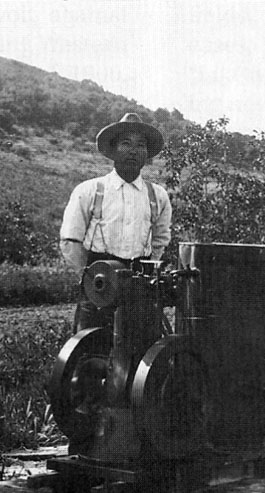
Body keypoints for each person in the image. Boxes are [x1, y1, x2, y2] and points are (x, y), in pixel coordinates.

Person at [60, 112, 172, 332]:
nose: (133, 150)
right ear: (113, 149)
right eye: (126, 143)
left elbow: (160, 240)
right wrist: (89, 278)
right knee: (89, 353)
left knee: (141, 354)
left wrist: (147, 270)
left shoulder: (157, 196)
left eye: (140, 145)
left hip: (140, 287)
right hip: (99, 284)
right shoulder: (90, 190)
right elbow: (70, 240)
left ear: (146, 154)